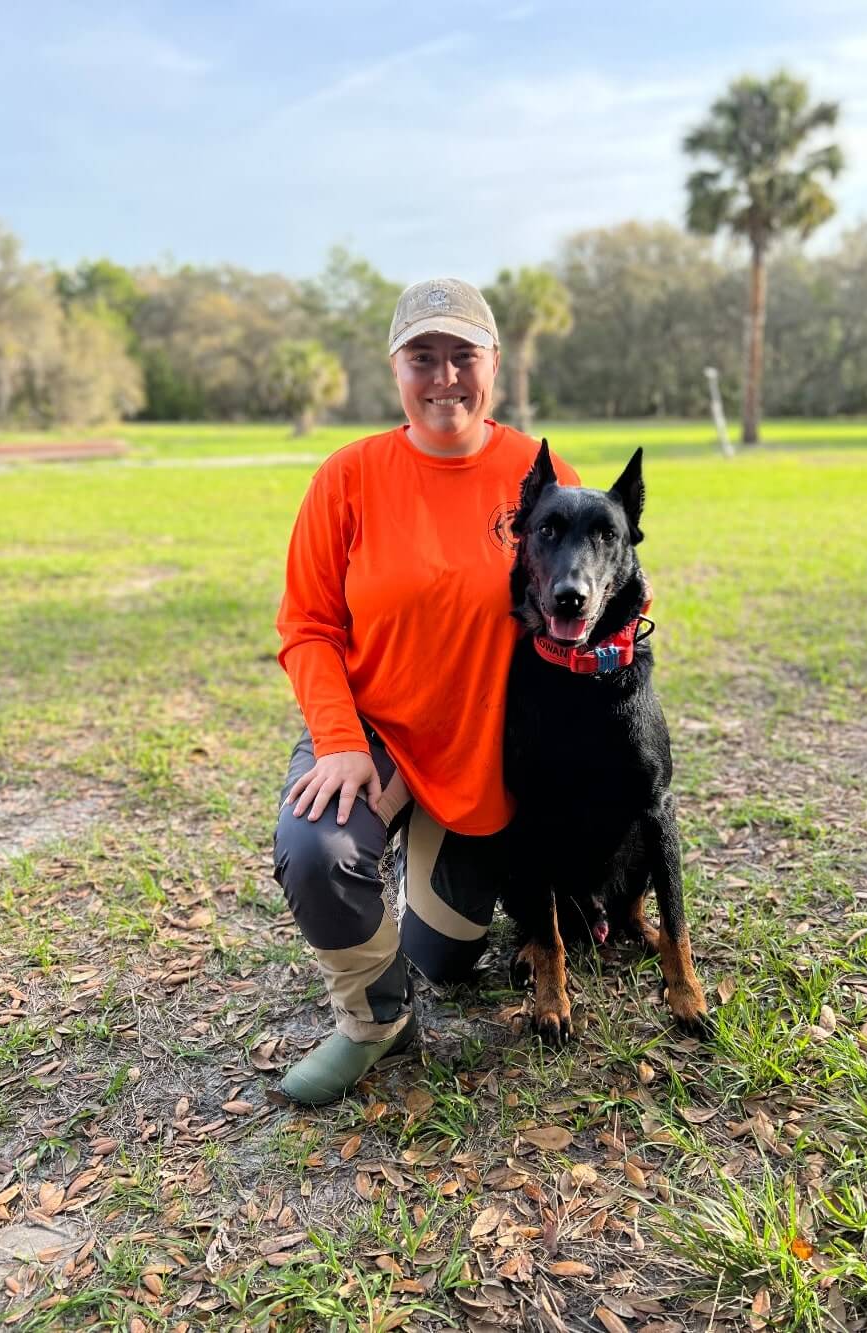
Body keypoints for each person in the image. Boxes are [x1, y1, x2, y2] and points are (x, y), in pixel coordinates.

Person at [273, 278, 578, 1104]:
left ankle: (427, 867)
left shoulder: (533, 471)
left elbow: (601, 583)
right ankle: (374, 1019)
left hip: (483, 755)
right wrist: (338, 740)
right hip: (376, 733)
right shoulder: (349, 475)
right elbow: (306, 626)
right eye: (423, 357)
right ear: (396, 368)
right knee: (319, 847)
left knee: (447, 959)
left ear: (495, 365)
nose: (444, 376)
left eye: (462, 356)